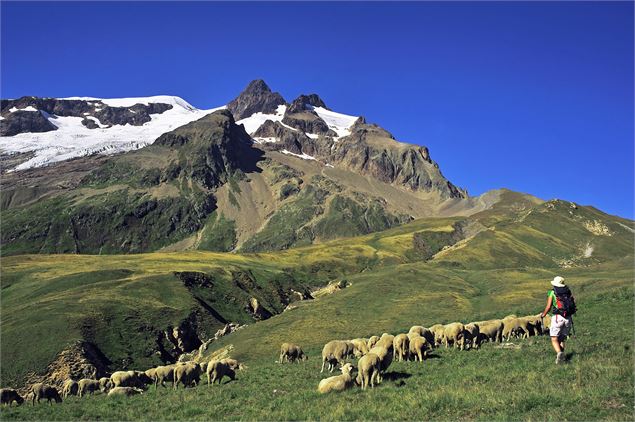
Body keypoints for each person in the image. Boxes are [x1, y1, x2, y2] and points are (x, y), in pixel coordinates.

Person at [540, 276, 574, 364]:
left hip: (557, 318)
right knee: (562, 339)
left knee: (554, 338)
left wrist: (543, 314)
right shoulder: (568, 292)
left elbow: (548, 306)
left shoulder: (552, 292)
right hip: (568, 318)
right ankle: (563, 357)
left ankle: (559, 354)